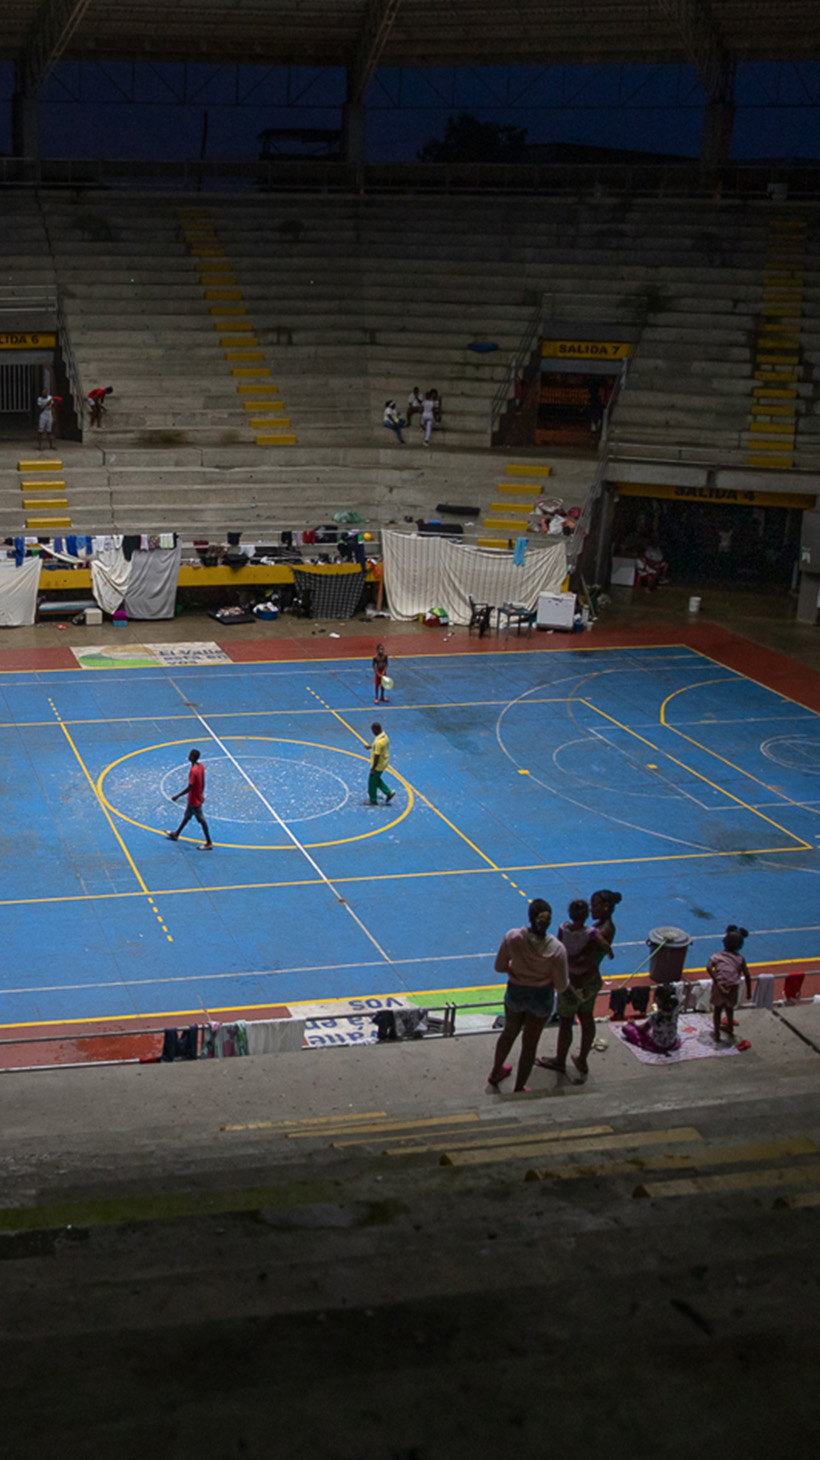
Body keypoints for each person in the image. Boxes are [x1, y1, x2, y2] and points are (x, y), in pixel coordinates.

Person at [488, 900, 569, 1093]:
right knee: (530, 1044)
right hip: (542, 998)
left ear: (529, 917)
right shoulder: (557, 949)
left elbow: (499, 966)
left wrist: (515, 973)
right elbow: (561, 985)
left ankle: (496, 1071)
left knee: (509, 1032)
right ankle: (519, 1088)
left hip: (516, 992)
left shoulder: (513, 937)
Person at [537, 897, 612, 1081]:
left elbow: (560, 949)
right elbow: (603, 944)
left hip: (570, 983)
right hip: (589, 981)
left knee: (565, 1022)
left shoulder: (563, 929)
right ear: (587, 916)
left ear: (570, 914)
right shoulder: (593, 933)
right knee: (587, 1018)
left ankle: (560, 1060)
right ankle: (582, 1060)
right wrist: (608, 951)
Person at [707, 925, 752, 1043]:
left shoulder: (717, 956)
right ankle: (729, 1026)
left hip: (720, 986)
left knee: (717, 1010)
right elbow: (747, 975)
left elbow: (708, 967)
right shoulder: (740, 958)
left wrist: (716, 980)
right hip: (733, 987)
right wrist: (749, 992)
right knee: (729, 1008)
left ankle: (716, 1034)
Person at [166, 748, 213, 850]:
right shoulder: (201, 766)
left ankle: (209, 842)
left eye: (190, 755)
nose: (189, 755)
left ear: (193, 757)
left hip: (194, 800)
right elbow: (203, 781)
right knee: (187, 816)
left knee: (201, 820)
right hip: (195, 797)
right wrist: (201, 793)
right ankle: (177, 834)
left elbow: (190, 786)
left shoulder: (193, 771)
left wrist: (178, 796)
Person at [622, 982, 682, 1055]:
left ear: (657, 999)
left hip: (657, 1045)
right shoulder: (675, 1009)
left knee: (626, 1028)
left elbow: (643, 1030)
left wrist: (633, 1024)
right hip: (672, 1043)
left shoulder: (656, 1015)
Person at [368, 722, 395, 806]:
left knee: (372, 781)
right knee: (376, 779)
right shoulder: (385, 737)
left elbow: (377, 756)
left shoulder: (378, 742)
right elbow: (380, 748)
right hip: (384, 762)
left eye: (373, 730)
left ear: (376, 730)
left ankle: (373, 800)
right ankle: (388, 792)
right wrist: (371, 747)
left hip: (378, 765)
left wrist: (373, 769)